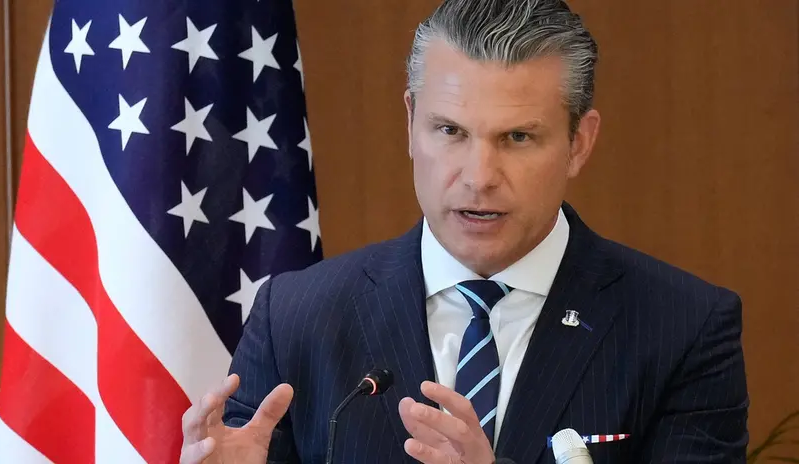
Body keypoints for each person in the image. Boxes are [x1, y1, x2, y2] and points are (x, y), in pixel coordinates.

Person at [180, 0, 749, 462]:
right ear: (411, 123)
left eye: (518, 138)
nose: (479, 178)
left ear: (579, 142)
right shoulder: (295, 317)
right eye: (450, 131)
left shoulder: (683, 328)